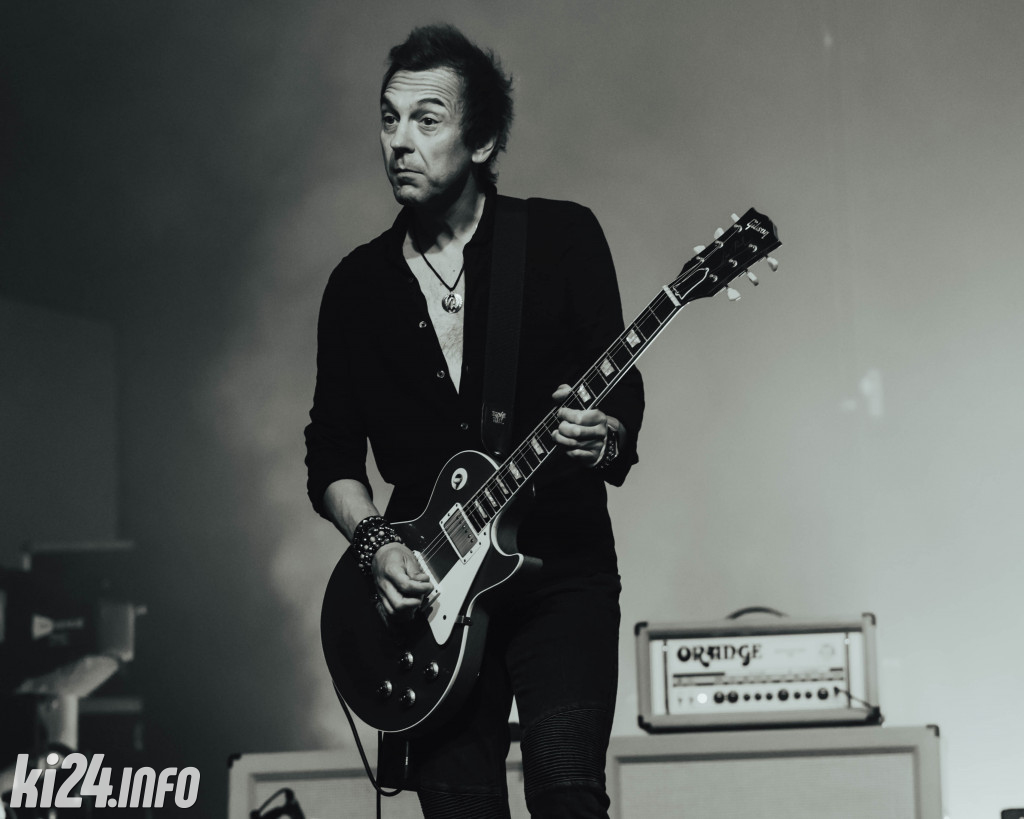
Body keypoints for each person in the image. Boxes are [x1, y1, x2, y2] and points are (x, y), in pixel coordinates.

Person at [305, 23, 644, 819]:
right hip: (428, 601)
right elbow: (331, 457)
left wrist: (603, 436)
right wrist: (376, 545)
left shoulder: (561, 238)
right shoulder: (356, 287)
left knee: (569, 795)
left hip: (560, 572)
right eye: (389, 118)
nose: (400, 141)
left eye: (427, 119)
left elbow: (620, 397)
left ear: (483, 139)